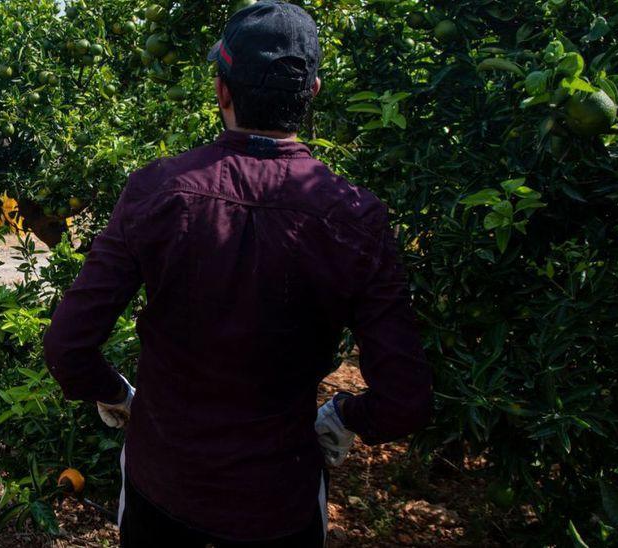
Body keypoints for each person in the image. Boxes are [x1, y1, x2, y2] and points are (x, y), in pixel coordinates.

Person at [42, 2, 433, 547]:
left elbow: (68, 348)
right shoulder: (355, 217)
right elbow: (406, 398)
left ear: (222, 90)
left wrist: (119, 394)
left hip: (163, 484)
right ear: (313, 92)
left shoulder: (156, 191)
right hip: (277, 501)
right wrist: (343, 416)